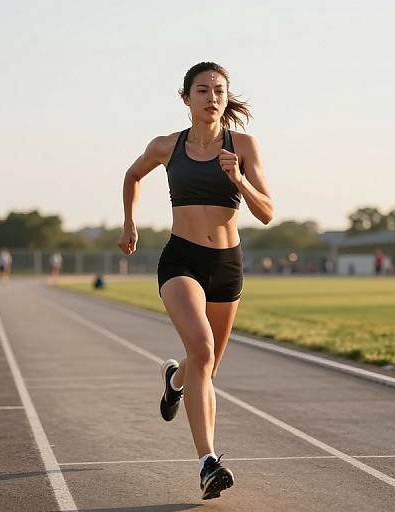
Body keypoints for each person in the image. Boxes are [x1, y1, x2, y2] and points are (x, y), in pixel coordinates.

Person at [117, 62, 273, 500]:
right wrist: (129, 223)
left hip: (227, 264)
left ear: (226, 96)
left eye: (219, 90)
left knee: (205, 365)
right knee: (201, 350)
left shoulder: (242, 145)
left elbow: (267, 212)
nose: (211, 97)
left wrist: (238, 178)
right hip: (181, 259)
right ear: (185, 98)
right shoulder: (167, 146)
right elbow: (132, 175)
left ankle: (174, 382)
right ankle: (208, 462)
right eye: (201, 90)